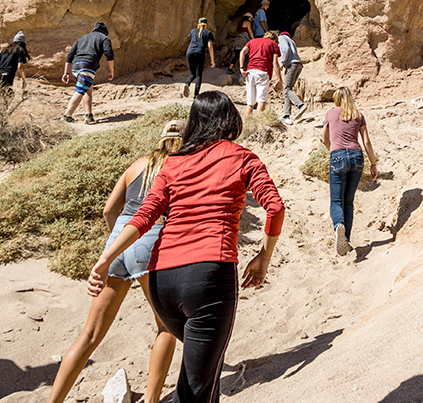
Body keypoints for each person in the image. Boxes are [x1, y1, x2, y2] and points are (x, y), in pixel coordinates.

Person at [88, 92, 284, 403]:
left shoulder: (174, 165)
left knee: (206, 374)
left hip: (162, 283)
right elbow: (274, 207)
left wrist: (105, 258)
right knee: (195, 389)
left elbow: (142, 217)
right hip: (208, 277)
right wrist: (263, 257)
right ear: (230, 120)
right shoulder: (242, 157)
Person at [48, 122, 182, 403]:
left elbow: (109, 209)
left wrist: (117, 245)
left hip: (119, 238)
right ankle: (152, 399)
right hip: (152, 238)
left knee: (90, 334)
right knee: (165, 327)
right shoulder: (181, 167)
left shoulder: (136, 165)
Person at [321, 87, 378, 256]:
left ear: (337, 99)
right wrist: (373, 164)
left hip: (338, 156)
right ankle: (345, 240)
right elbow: (366, 142)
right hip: (357, 157)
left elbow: (324, 138)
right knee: (349, 201)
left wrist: (333, 151)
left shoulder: (330, 114)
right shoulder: (358, 115)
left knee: (336, 200)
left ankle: (339, 225)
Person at [62, 22, 115, 124]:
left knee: (88, 89)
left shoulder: (82, 38)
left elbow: (69, 55)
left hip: (75, 66)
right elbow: (109, 54)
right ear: (105, 32)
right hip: (87, 66)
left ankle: (89, 115)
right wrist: (111, 70)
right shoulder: (104, 38)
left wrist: (66, 72)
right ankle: (67, 115)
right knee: (80, 89)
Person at [239, 30, 282, 114]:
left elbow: (242, 52)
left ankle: (248, 125)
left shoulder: (252, 41)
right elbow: (275, 63)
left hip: (250, 72)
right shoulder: (273, 45)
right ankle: (259, 124)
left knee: (250, 103)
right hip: (263, 72)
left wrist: (241, 68)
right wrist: (280, 80)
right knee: (261, 100)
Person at [277, 29, 308, 124]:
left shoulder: (281, 38)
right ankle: (286, 115)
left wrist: (282, 63)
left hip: (291, 64)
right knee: (287, 90)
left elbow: (285, 49)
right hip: (298, 64)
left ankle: (300, 105)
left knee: (286, 89)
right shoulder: (292, 41)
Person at [183, 18, 215, 98]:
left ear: (198, 24)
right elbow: (210, 46)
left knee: (192, 73)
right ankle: (196, 94)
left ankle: (187, 83)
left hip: (189, 53)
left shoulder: (192, 31)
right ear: (206, 25)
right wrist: (212, 60)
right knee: (198, 75)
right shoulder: (208, 33)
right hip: (199, 53)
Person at [228, 13, 255, 85]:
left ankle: (230, 68)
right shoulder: (247, 23)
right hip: (244, 39)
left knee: (237, 54)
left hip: (239, 39)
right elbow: (250, 31)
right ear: (248, 17)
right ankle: (243, 68)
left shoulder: (241, 23)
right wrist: (253, 39)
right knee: (245, 54)